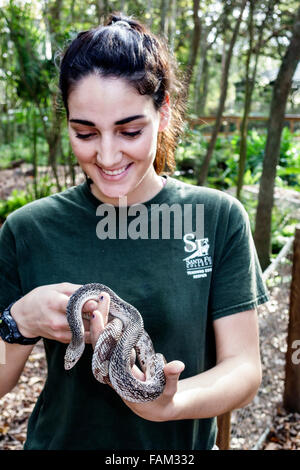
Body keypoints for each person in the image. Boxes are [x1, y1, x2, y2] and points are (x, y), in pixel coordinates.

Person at [0, 13, 269, 450]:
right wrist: (21, 321)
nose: (107, 156)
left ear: (162, 114)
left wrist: (173, 401)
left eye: (130, 130)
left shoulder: (216, 217)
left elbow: (244, 368)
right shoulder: (28, 229)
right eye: (85, 132)